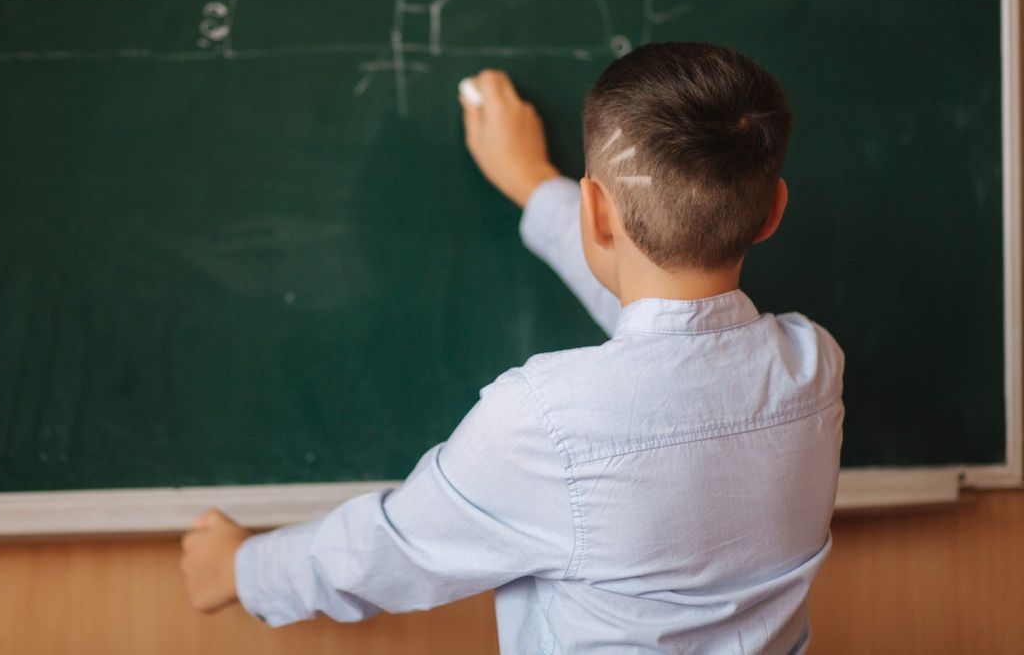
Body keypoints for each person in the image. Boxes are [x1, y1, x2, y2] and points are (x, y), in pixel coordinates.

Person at [180, 42, 844, 653]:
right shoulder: (812, 367)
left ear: (596, 210)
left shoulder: (548, 424)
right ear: (773, 210)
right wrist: (531, 182)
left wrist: (238, 569)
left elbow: (391, 550)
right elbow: (678, 346)